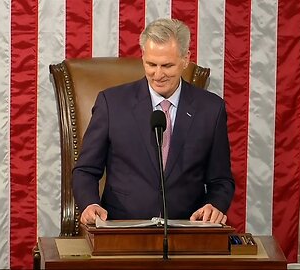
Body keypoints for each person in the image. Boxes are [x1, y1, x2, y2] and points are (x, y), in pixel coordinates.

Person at [72, 18, 234, 225]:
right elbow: (85, 170)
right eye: (151, 64)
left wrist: (215, 205)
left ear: (186, 59)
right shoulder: (112, 103)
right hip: (122, 229)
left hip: (187, 230)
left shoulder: (211, 109)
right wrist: (89, 204)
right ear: (143, 58)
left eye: (167, 65)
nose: (158, 74)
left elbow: (221, 180)